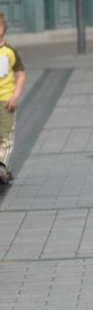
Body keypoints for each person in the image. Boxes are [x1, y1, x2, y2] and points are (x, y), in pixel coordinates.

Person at [0, 13, 25, 185]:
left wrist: (15, 96)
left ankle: (1, 167)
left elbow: (21, 75)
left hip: (6, 102)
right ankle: (5, 170)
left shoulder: (10, 52)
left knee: (5, 137)